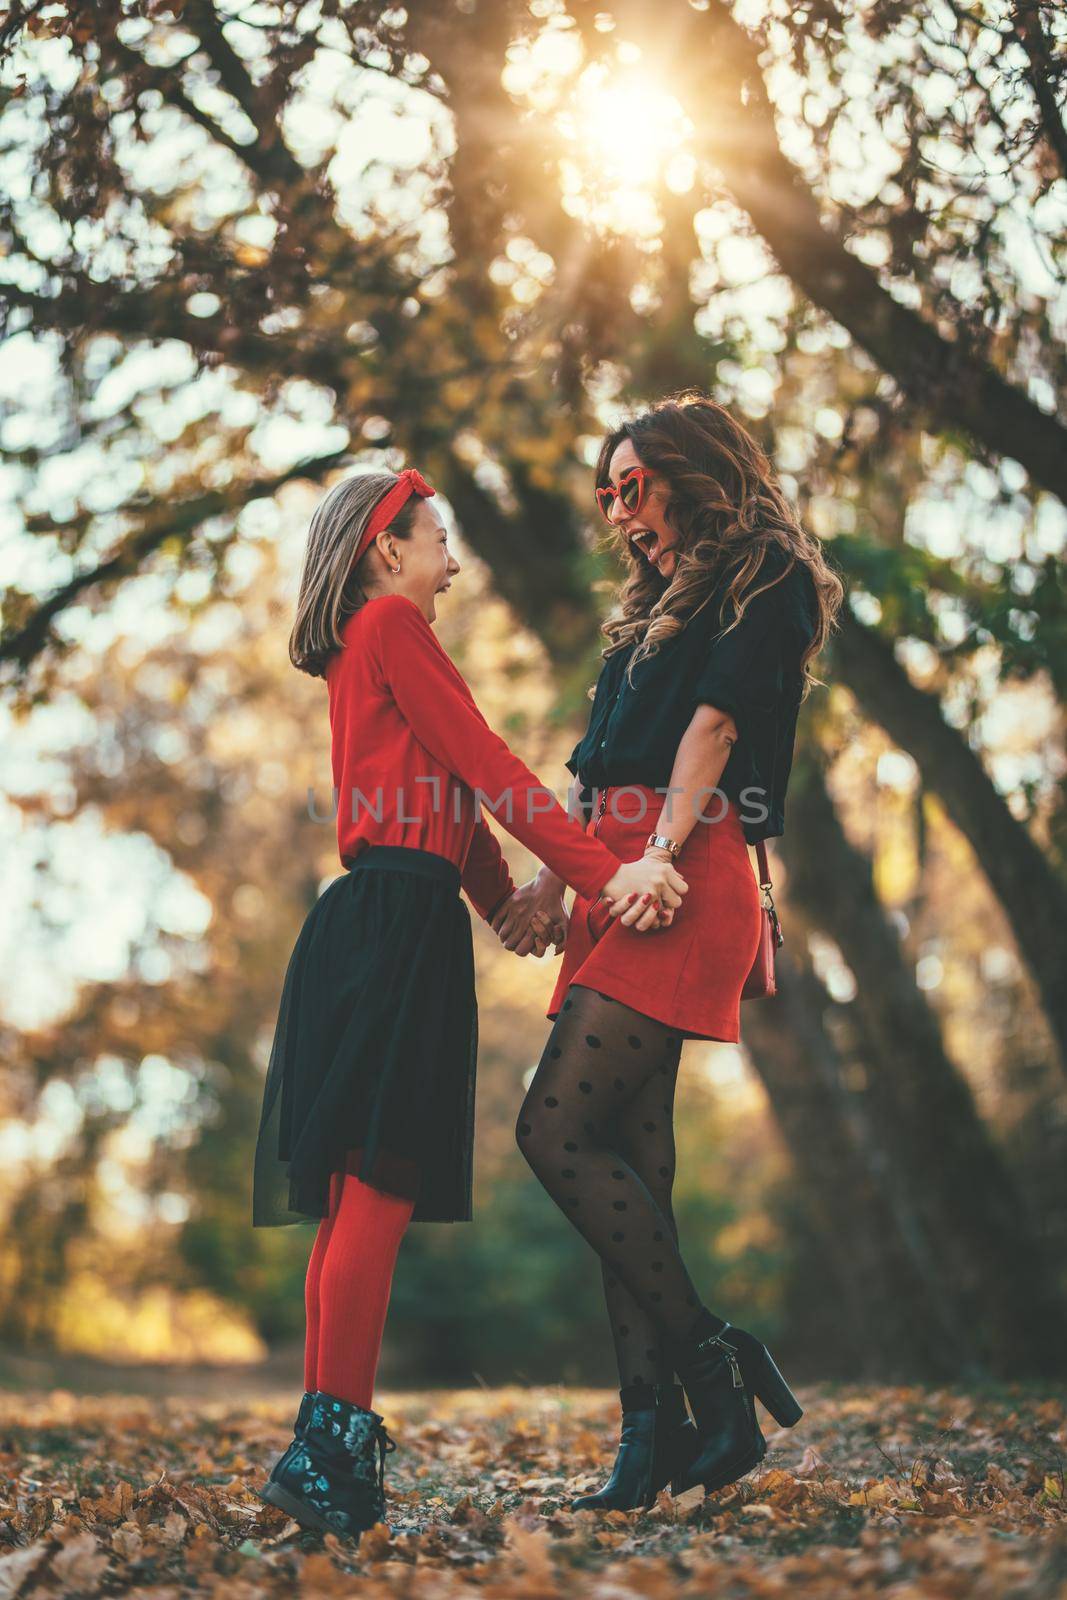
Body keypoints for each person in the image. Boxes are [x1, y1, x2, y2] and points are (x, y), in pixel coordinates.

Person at [250, 466, 687, 1543]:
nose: (455, 558)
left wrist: (506, 908)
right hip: (394, 930)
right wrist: (600, 877)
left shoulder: (372, 642)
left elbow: (451, 802)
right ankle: (335, 1446)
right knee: (376, 1195)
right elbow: (488, 767)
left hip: (383, 917)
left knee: (356, 1195)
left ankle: (324, 1449)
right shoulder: (394, 627)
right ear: (386, 551)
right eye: (440, 538)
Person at [498, 393, 844, 1509]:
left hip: (679, 872)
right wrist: (558, 879)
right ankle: (645, 1442)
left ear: (694, 474)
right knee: (625, 1163)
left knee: (550, 1128)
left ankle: (712, 1364)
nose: (619, 510)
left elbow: (716, 728)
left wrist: (651, 854)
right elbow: (591, 763)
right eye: (608, 493)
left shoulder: (767, 576)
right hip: (616, 875)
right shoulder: (645, 612)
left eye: (633, 484)